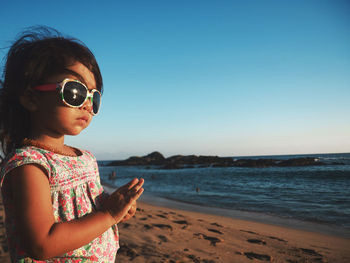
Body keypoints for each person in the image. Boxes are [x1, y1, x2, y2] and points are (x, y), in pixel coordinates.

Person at [0, 26, 144, 262]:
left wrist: (114, 206)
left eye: (94, 97)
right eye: (75, 92)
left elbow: (86, 206)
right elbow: (41, 243)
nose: (87, 104)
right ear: (31, 97)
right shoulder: (30, 164)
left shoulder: (85, 157)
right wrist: (108, 214)